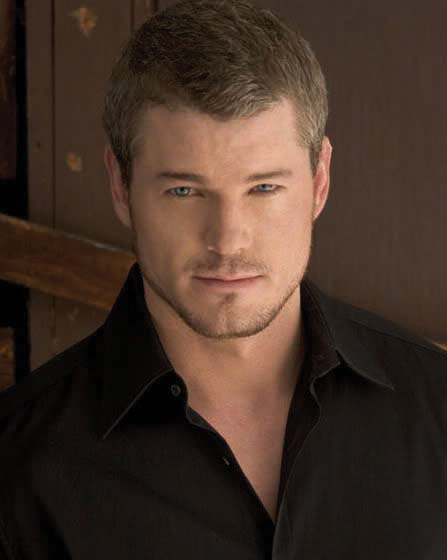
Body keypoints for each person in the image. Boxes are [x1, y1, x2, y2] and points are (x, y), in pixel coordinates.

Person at [1, 0, 446, 558]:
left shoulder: (438, 409)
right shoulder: (17, 470)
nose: (228, 240)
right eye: (184, 191)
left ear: (319, 181)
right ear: (120, 186)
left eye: (264, 188)